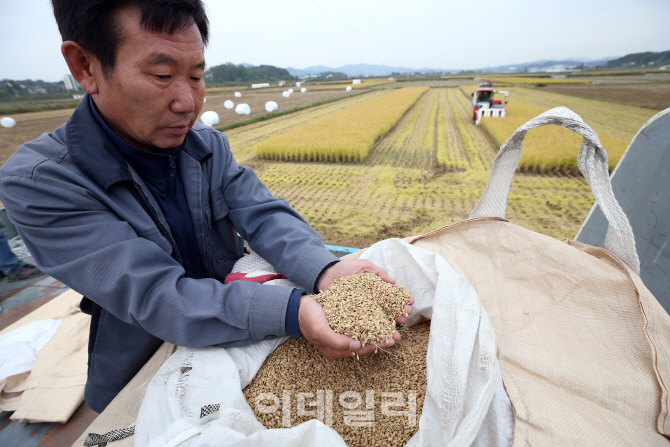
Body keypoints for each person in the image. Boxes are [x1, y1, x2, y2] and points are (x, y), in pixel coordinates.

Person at [0, 0, 412, 413]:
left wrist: (324, 268)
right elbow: (156, 295)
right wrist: (293, 311)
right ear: (85, 66)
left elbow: (264, 214)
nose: (187, 103)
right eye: (162, 76)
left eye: (196, 76)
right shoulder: (42, 183)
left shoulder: (204, 145)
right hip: (142, 374)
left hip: (240, 343)